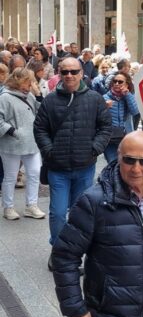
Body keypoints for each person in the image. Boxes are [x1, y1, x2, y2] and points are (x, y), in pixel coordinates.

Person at [51, 132, 143, 317]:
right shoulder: (94, 201)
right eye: (129, 160)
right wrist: (76, 310)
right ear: (118, 156)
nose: (136, 168)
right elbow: (64, 256)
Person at [33, 57, 112, 269]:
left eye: (73, 71)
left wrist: (94, 149)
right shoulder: (50, 101)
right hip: (57, 168)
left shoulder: (95, 99)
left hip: (84, 168)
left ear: (81, 73)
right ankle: (59, 253)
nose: (69, 75)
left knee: (81, 214)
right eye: (65, 72)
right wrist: (49, 152)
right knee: (58, 213)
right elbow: (40, 128)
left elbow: (105, 127)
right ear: (59, 73)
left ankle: (75, 252)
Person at [0, 68, 45, 220]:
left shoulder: (29, 95)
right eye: (28, 81)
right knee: (11, 176)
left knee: (34, 173)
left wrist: (38, 95)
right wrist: (12, 131)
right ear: (19, 81)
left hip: (31, 142)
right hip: (12, 143)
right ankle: (8, 207)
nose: (31, 84)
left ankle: (31, 205)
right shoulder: (5, 97)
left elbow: (41, 113)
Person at [103, 71, 140, 163]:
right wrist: (104, 108)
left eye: (120, 82)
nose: (116, 84)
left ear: (127, 84)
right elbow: (97, 117)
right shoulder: (105, 98)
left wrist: (127, 95)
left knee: (124, 163)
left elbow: (135, 111)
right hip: (109, 139)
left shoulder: (129, 96)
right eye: (115, 81)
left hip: (125, 137)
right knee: (112, 163)